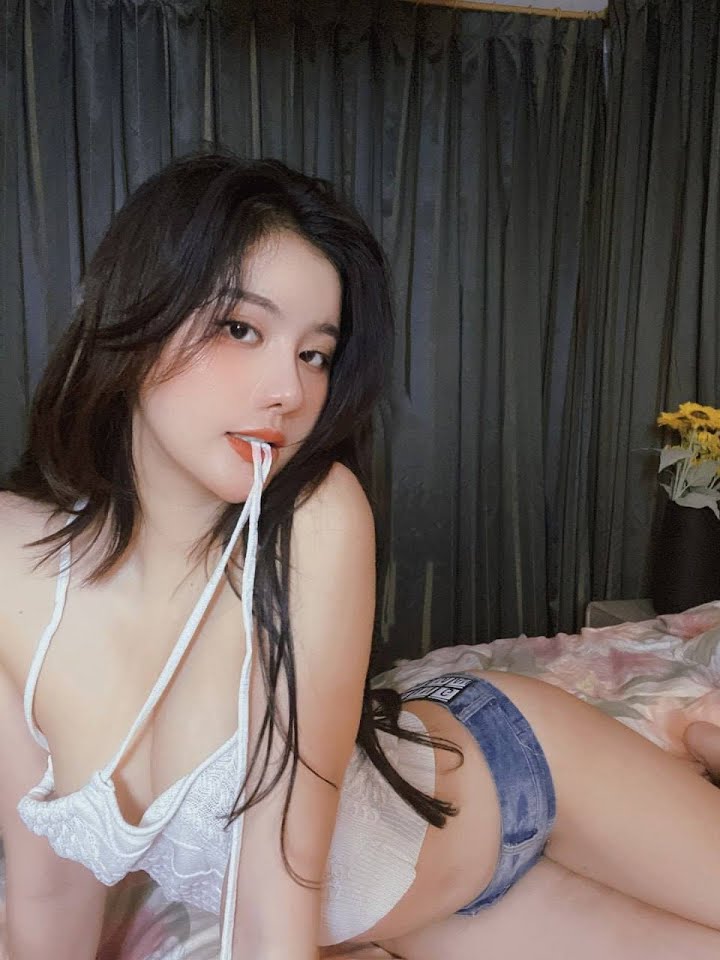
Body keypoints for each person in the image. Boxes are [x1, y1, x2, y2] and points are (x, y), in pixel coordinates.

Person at [1, 153, 719, 960]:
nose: (288, 390)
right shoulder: (10, 562)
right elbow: (46, 891)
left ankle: (701, 743)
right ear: (134, 311)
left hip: (518, 762)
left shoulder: (313, 516)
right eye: (242, 328)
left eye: (315, 353)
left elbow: (277, 896)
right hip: (422, 903)